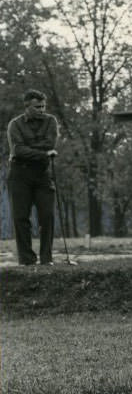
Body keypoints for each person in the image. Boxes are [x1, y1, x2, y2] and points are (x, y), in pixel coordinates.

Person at [6, 89, 60, 266]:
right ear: (27, 107)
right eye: (37, 107)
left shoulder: (51, 121)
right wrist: (44, 152)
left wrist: (31, 150)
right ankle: (27, 260)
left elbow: (50, 143)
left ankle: (46, 259)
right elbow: (18, 150)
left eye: (43, 106)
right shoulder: (15, 124)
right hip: (19, 174)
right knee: (21, 217)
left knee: (47, 215)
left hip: (42, 174)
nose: (42, 110)